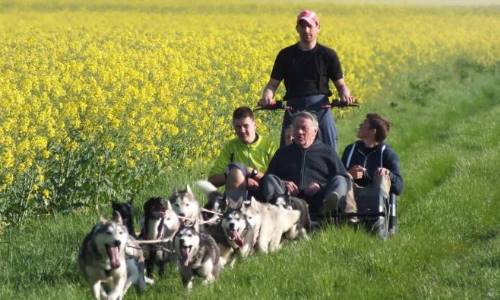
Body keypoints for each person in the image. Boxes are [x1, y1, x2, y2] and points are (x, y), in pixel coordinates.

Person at [259, 9, 355, 150]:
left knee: (329, 151)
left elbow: (341, 85)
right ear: (297, 29)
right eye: (302, 26)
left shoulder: (328, 55)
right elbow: (272, 85)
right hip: (293, 108)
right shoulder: (285, 55)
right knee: (287, 152)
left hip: (321, 109)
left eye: (310, 26)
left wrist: (345, 95)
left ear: (318, 28)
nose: (306, 30)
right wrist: (267, 96)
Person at [260, 111, 356, 220]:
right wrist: (283, 183)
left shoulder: (327, 152)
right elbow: (266, 180)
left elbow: (345, 179)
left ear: (315, 131)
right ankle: (281, 213)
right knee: (269, 179)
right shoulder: (282, 153)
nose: (299, 132)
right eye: (296, 128)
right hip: (290, 201)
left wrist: (321, 186)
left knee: (341, 179)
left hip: (319, 200)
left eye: (304, 128)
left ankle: (328, 211)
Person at [208, 106, 277, 195]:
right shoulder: (230, 147)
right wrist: (238, 177)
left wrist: (253, 173)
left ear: (255, 125)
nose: (242, 130)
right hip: (237, 195)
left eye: (245, 126)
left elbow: (277, 181)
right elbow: (212, 180)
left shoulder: (269, 146)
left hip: (263, 195)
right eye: (238, 127)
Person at [341, 113, 404, 198]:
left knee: (383, 177)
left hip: (376, 199)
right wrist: (349, 174)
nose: (360, 125)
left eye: (364, 124)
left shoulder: (387, 153)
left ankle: (378, 209)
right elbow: (338, 177)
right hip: (352, 197)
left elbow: (399, 187)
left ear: (373, 131)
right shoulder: (350, 150)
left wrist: (388, 174)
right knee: (342, 179)